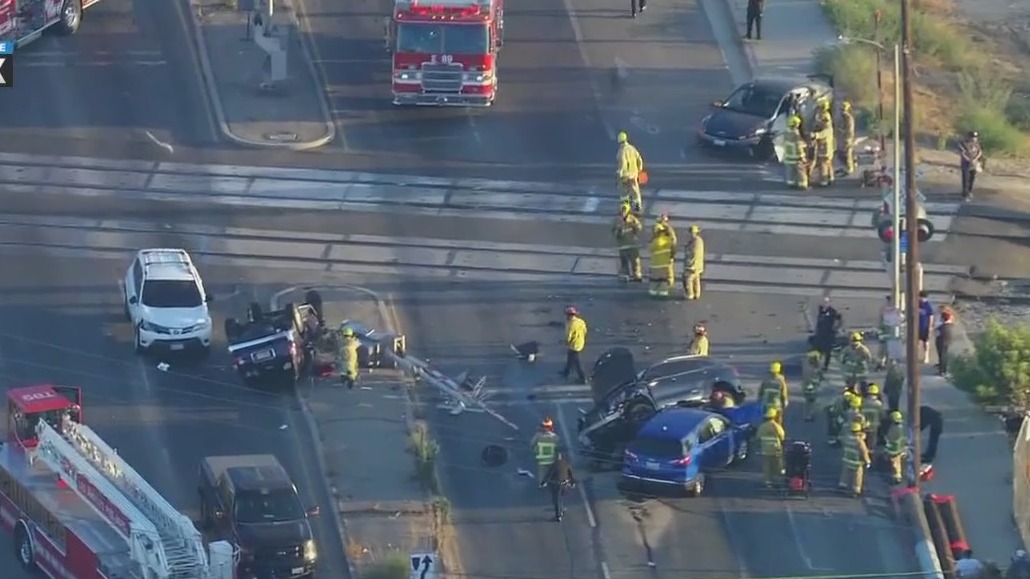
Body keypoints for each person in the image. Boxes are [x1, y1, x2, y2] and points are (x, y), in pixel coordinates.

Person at [612, 202, 643, 282]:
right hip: (623, 246)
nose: (623, 212)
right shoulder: (617, 220)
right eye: (622, 210)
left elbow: (639, 228)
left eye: (625, 210)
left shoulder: (632, 219)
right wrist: (618, 231)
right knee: (624, 263)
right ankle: (625, 276)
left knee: (635, 262)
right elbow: (614, 233)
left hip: (632, 244)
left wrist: (634, 226)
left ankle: (637, 276)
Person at [839, 421, 871, 497]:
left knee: (846, 472)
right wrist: (868, 461)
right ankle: (856, 490)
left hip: (847, 459)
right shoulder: (859, 441)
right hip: (857, 461)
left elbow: (842, 441)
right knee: (857, 476)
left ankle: (842, 484)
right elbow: (864, 451)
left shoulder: (847, 437)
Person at [543, 449, 576, 522]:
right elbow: (570, 472)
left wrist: (544, 482)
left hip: (556, 484)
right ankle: (561, 509)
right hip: (565, 484)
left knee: (556, 500)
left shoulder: (554, 464)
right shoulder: (566, 462)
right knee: (561, 497)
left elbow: (549, 474)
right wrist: (572, 482)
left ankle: (558, 516)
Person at [756, 407, 785, 488]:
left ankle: (768, 482)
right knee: (777, 465)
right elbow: (782, 436)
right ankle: (778, 480)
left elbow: (758, 437)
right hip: (776, 449)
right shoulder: (776, 426)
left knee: (767, 466)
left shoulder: (762, 426)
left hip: (765, 450)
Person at [811, 297, 842, 370]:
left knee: (828, 352)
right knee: (817, 350)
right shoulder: (821, 310)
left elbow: (839, 319)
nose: (824, 304)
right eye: (823, 303)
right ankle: (816, 364)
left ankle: (825, 366)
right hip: (820, 334)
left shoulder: (832, 311)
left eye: (826, 303)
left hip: (828, 335)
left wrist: (835, 328)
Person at [616, 131, 645, 209]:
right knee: (635, 189)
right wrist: (639, 169)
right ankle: (637, 204)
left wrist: (620, 172)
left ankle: (625, 206)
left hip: (626, 175)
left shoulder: (622, 151)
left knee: (624, 190)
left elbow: (623, 162)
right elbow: (639, 159)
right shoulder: (632, 148)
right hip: (634, 174)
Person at [561, 306, 588, 384]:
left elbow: (568, 336)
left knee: (577, 362)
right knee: (570, 358)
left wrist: (566, 342)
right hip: (580, 342)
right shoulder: (581, 321)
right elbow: (585, 331)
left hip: (573, 345)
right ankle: (566, 372)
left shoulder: (570, 324)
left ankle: (583, 378)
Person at [812, 99, 835, 186]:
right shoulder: (826, 117)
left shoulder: (827, 124)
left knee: (823, 165)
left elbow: (824, 133)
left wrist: (815, 135)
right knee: (828, 164)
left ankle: (823, 181)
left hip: (824, 149)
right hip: (827, 149)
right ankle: (830, 177)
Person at [648, 221, 676, 297]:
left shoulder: (654, 241)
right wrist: (667, 226)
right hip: (664, 265)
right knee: (663, 281)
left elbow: (649, 248)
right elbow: (673, 240)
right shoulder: (668, 240)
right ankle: (663, 293)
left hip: (654, 265)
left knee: (654, 281)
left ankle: (653, 292)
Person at [877, 295, 904, 370]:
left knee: (891, 347)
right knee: (884, 347)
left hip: (893, 330)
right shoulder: (884, 309)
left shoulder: (896, 310)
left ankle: (890, 362)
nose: (888, 302)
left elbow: (901, 320)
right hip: (887, 329)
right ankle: (882, 363)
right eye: (888, 300)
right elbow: (880, 319)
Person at [783, 116, 810, 190]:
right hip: (797, 157)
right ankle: (802, 185)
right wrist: (803, 156)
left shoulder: (786, 132)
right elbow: (798, 146)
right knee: (801, 171)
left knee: (790, 171)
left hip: (788, 157)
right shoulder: (796, 133)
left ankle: (790, 183)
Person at [531, 418, 560, 482]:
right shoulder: (555, 436)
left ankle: (542, 484)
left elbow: (532, 444)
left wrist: (536, 450)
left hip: (542, 460)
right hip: (552, 460)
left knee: (542, 473)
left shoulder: (538, 436)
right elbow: (558, 447)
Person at [958, 131, 984, 201]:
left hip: (974, 164)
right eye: (972, 137)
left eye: (975, 137)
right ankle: (965, 193)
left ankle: (969, 191)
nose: (974, 139)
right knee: (966, 179)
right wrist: (969, 160)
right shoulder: (963, 144)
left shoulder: (976, 144)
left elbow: (980, 152)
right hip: (966, 164)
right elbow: (962, 153)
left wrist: (975, 159)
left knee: (972, 178)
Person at [682, 224, 705, 300]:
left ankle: (690, 294)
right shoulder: (699, 240)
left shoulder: (695, 242)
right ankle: (697, 294)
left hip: (693, 265)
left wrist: (690, 265)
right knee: (696, 279)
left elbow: (692, 254)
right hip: (698, 265)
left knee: (689, 279)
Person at [884, 410, 907, 484]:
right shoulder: (901, 427)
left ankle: (897, 477)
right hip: (899, 448)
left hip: (894, 449)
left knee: (895, 463)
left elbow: (890, 438)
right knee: (898, 461)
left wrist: (886, 440)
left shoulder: (894, 428)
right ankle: (898, 475)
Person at [801, 350, 824, 422]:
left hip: (807, 385)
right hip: (811, 386)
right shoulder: (813, 368)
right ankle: (809, 415)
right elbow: (818, 375)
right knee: (810, 401)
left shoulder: (806, 365)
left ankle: (808, 414)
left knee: (809, 401)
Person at [837, 100, 857, 175]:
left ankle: (849, 168)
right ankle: (849, 166)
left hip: (847, 138)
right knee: (846, 153)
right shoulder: (844, 117)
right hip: (844, 137)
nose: (842, 111)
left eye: (843, 109)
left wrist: (847, 139)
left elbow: (849, 130)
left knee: (848, 153)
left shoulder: (848, 118)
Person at [936, 306, 955, 376]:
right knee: (945, 355)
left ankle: (942, 370)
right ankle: (944, 369)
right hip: (947, 341)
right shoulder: (950, 326)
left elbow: (937, 334)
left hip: (941, 341)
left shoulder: (941, 327)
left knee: (942, 356)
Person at [918, 290, 935, 364]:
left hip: (925, 326)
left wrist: (930, 327)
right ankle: (917, 356)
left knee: (926, 342)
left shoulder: (928, 305)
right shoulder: (917, 304)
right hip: (917, 326)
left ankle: (926, 356)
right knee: (917, 342)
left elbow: (931, 316)